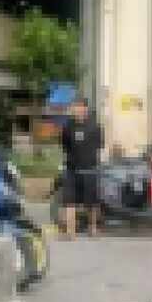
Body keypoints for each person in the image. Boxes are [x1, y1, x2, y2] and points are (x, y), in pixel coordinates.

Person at [60, 96, 103, 239]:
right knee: (69, 200)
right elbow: (65, 144)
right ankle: (70, 232)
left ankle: (93, 228)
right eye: (74, 106)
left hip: (89, 168)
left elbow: (99, 145)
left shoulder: (95, 126)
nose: (75, 109)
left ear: (85, 108)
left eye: (78, 106)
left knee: (91, 202)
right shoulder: (67, 126)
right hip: (71, 168)